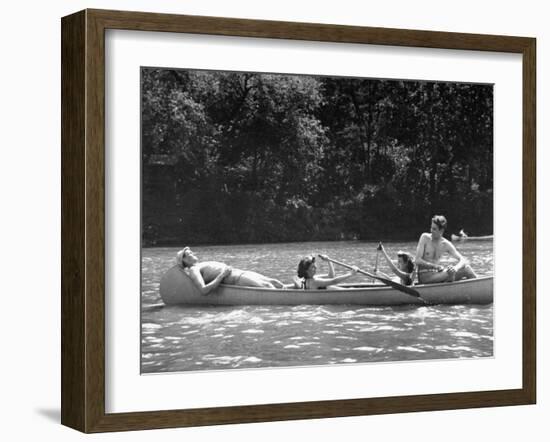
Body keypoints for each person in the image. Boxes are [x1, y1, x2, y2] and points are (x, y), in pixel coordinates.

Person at [176, 247, 286, 295]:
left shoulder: (200, 265)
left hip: (239, 272)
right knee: (267, 286)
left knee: (275, 282)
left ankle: (301, 287)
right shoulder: (193, 270)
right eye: (187, 254)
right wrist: (222, 275)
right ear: (184, 261)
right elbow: (203, 290)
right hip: (234, 278)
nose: (191, 253)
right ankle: (292, 300)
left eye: (190, 251)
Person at [415, 215, 477, 284]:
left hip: (439, 275)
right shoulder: (425, 237)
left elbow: (462, 260)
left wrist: (455, 269)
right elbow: (417, 260)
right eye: (431, 228)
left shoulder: (446, 244)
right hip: (425, 277)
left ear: (441, 230)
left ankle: (478, 287)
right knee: (466, 270)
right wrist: (434, 266)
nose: (431, 231)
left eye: (434, 229)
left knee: (466, 268)